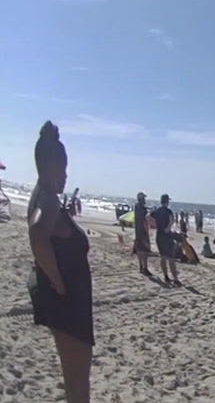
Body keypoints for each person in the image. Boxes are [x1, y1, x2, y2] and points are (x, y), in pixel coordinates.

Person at [26, 121, 93, 403]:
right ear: (53, 166)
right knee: (78, 384)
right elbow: (38, 233)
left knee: (74, 380)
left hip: (63, 300)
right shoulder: (49, 200)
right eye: (64, 169)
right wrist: (58, 283)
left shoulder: (40, 193)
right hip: (67, 304)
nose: (66, 175)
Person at [150, 194, 181, 286]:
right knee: (171, 258)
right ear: (167, 201)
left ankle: (166, 276)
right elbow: (172, 220)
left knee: (163, 257)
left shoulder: (157, 211)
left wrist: (155, 225)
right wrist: (168, 228)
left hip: (159, 235)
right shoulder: (168, 211)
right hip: (166, 236)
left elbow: (148, 217)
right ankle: (175, 278)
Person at [133, 192, 151, 275]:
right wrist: (147, 230)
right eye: (144, 198)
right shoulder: (143, 209)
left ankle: (140, 266)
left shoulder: (136, 207)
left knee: (139, 249)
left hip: (137, 231)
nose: (145, 200)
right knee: (145, 251)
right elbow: (145, 220)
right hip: (143, 231)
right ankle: (145, 268)